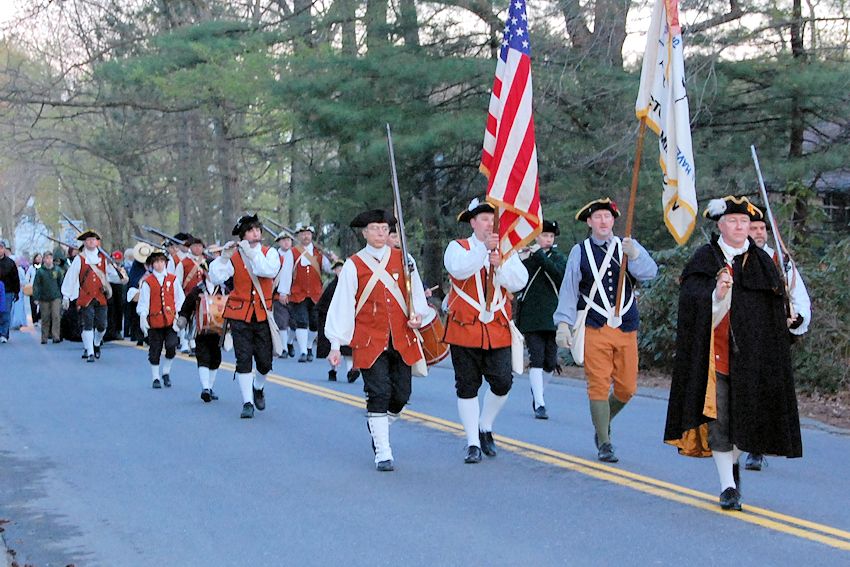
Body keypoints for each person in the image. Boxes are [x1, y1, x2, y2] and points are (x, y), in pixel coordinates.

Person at [664, 195, 802, 512]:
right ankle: (727, 486)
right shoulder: (705, 260)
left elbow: (774, 311)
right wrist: (717, 294)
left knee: (747, 422)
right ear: (721, 225)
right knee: (721, 421)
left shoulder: (764, 263)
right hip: (716, 358)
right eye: (733, 222)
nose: (740, 227)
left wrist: (788, 321)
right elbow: (690, 304)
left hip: (754, 362)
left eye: (745, 223)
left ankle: (733, 468)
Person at [553, 198, 658, 463]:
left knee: (627, 388)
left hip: (625, 325)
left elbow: (650, 273)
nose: (603, 221)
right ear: (589, 222)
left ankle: (603, 420)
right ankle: (604, 441)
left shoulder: (626, 246)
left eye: (607, 217)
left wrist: (635, 255)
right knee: (598, 384)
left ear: (613, 221)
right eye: (598, 217)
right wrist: (563, 323)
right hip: (595, 326)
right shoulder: (580, 251)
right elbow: (569, 289)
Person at [325, 209, 430, 471]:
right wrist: (336, 344)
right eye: (374, 229)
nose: (380, 234)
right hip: (369, 339)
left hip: (401, 337)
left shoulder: (405, 259)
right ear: (365, 233)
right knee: (379, 392)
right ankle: (383, 451)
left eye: (384, 229)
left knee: (401, 395)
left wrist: (418, 315)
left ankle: (377, 424)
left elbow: (415, 294)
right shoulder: (353, 265)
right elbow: (343, 305)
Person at [443, 198, 529, 464]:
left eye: (493, 219)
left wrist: (500, 263)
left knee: (503, 382)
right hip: (464, 328)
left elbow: (519, 282)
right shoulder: (458, 247)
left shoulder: (507, 251)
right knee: (467, 386)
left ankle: (485, 426)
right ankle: (472, 442)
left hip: (496, 328)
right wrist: (483, 251)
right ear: (472, 222)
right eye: (483, 219)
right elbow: (459, 269)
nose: (489, 223)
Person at [744, 205, 812, 471]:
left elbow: (799, 297)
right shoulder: (739, 261)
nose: (759, 233)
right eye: (754, 228)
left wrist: (797, 319)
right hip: (745, 337)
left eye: (762, 229)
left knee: (767, 393)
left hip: (774, 339)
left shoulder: (781, 262)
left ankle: (757, 449)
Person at [209, 214, 282, 419]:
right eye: (250, 230)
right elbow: (216, 277)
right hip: (239, 314)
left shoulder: (270, 253)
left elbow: (266, 271)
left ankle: (258, 387)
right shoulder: (234, 256)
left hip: (262, 314)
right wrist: (224, 256)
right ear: (243, 235)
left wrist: (251, 253)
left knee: (265, 362)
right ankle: (247, 401)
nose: (255, 233)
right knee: (243, 358)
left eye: (257, 229)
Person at [516, 220, 567, 419]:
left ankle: (539, 393)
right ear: (537, 236)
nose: (548, 239)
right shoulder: (526, 258)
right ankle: (540, 403)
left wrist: (538, 255)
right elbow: (517, 280)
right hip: (531, 316)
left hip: (552, 315)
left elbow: (558, 274)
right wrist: (525, 256)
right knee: (536, 358)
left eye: (551, 236)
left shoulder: (558, 258)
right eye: (545, 235)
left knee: (550, 361)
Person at [61, 230, 128, 362]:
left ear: (98, 242)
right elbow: (71, 277)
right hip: (85, 297)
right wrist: (66, 295)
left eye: (93, 239)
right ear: (85, 243)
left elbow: (111, 276)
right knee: (87, 324)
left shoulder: (103, 259)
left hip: (100, 296)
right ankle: (90, 352)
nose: (91, 242)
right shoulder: (79, 259)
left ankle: (96, 343)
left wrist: (121, 276)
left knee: (102, 326)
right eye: (88, 240)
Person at [137, 251, 185, 388]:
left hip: (170, 320)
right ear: (152, 265)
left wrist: (179, 315)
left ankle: (166, 372)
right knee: (155, 350)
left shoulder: (173, 279)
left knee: (171, 346)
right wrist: (143, 316)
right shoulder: (148, 282)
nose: (159, 264)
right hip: (155, 321)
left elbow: (179, 299)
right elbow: (144, 302)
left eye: (161, 261)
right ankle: (155, 377)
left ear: (165, 263)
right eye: (156, 262)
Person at [177, 273, 226, 402]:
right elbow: (187, 306)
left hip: (218, 330)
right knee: (203, 356)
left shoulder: (223, 289)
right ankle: (205, 388)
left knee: (216, 358)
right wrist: (183, 318)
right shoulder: (198, 289)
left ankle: (210, 387)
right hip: (201, 330)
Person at [290, 223, 333, 362]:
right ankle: (302, 351)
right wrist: (284, 291)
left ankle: (309, 346)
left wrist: (334, 260)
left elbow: (330, 269)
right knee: (301, 321)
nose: (305, 236)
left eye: (308, 233)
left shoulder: (319, 254)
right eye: (302, 233)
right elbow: (286, 273)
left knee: (314, 324)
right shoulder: (293, 252)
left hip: (316, 294)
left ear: (312, 235)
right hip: (298, 292)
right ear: (299, 236)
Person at [317, 259, 359, 382]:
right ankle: (333, 370)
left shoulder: (352, 286)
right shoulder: (331, 287)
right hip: (334, 322)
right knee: (334, 347)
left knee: (348, 348)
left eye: (342, 269)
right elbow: (323, 306)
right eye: (337, 269)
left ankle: (350, 371)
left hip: (348, 320)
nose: (340, 271)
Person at [174, 237, 209, 353]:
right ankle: (184, 343)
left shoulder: (206, 261)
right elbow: (178, 281)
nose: (198, 248)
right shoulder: (183, 263)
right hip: (187, 295)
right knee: (185, 318)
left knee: (197, 319)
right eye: (195, 246)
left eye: (200, 246)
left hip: (202, 297)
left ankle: (194, 343)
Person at [32, 252, 65, 344]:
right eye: (46, 258)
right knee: (45, 317)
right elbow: (36, 285)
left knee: (56, 316)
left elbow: (61, 282)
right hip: (44, 298)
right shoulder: (40, 271)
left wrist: (63, 295)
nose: (48, 260)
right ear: (44, 260)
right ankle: (44, 337)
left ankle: (56, 336)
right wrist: (36, 297)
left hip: (56, 297)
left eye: (50, 258)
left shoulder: (57, 270)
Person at [273, 232, 295, 359]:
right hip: (278, 294)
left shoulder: (297, 254)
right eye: (283, 240)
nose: (286, 242)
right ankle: (284, 349)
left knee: (295, 324)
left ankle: (289, 342)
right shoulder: (274, 256)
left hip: (295, 294)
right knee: (282, 323)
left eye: (288, 240)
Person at [0, 239, 21, 342]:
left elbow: (15, 279)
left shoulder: (10, 263)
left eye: (1, 248)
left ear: (4, 249)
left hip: (7, 292)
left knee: (6, 313)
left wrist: (16, 292)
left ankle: (4, 334)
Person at [25, 253, 42, 326]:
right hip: (32, 288)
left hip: (42, 288)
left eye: (40, 258)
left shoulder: (43, 267)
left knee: (42, 305)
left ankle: (39, 317)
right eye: (37, 258)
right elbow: (27, 278)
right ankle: (34, 321)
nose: (38, 259)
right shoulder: (31, 268)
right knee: (33, 306)